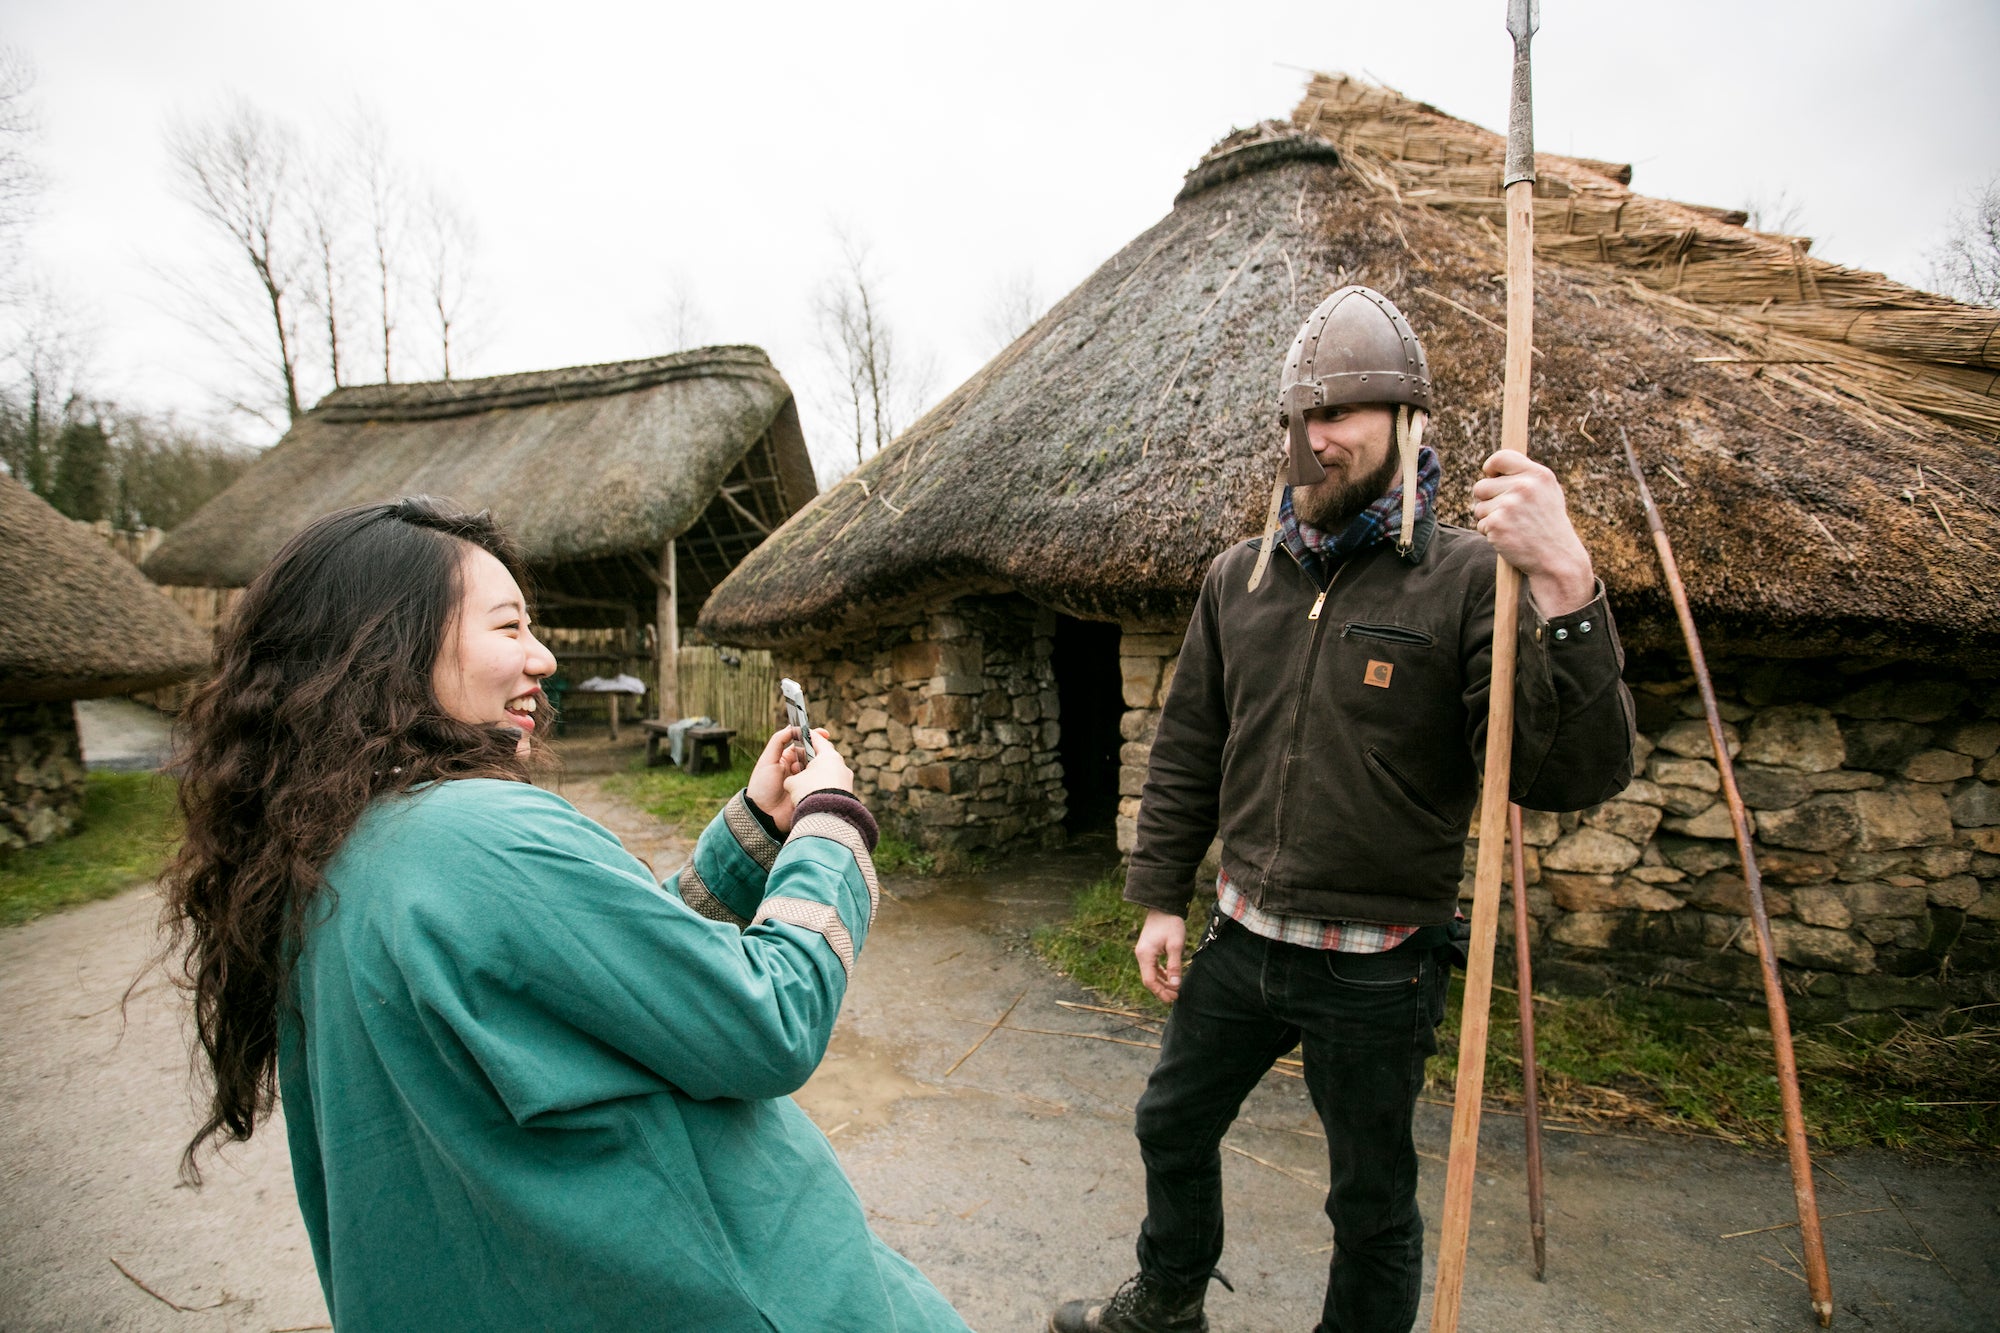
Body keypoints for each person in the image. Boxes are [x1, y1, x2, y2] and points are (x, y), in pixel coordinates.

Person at [161, 496, 970, 1333]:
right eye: (509, 627)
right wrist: (832, 818)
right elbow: (766, 1020)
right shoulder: (479, 834)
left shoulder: (336, 850)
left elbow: (602, 975)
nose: (542, 656)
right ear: (388, 646)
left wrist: (755, 828)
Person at [1051, 288, 1636, 1333]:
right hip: (1243, 936)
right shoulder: (1241, 578)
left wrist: (1562, 578)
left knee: (1368, 1200)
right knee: (1169, 1124)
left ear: (1404, 423)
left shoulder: (1466, 580)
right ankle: (1167, 1302)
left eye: (1339, 415)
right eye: (1299, 419)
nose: (1313, 438)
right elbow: (1187, 749)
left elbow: (1565, 774)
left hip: (1376, 963)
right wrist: (1159, 899)